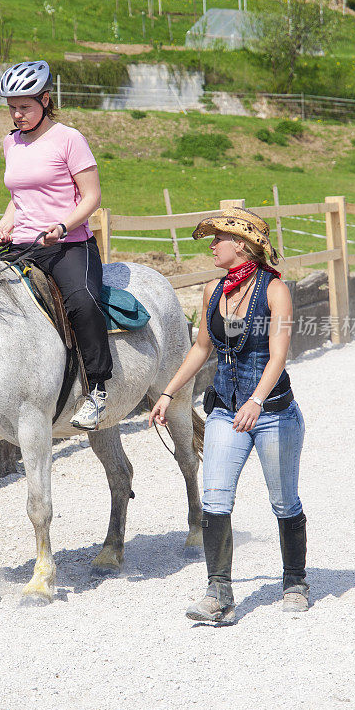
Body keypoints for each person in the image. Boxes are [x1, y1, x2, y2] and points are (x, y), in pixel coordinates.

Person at [149, 207, 308, 626]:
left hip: (272, 411)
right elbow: (201, 349)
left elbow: (279, 354)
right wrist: (168, 391)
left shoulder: (276, 290)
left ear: (242, 243)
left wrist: (256, 400)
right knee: (216, 499)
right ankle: (218, 593)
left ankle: (295, 581)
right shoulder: (212, 291)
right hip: (223, 409)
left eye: (219, 238)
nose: (212, 245)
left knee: (283, 501)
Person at [0, 60, 113, 430]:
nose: (17, 114)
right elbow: (21, 194)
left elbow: (91, 196)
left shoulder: (69, 139)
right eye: (12, 107)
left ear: (46, 101)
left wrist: (63, 226)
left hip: (69, 245)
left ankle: (97, 390)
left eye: (25, 107)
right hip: (24, 244)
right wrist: (6, 219)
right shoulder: (10, 143)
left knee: (83, 301)